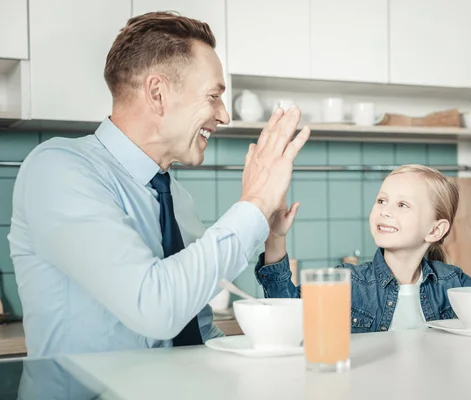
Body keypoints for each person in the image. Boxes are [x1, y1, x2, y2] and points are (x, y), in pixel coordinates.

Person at [7, 11, 310, 358]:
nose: (224, 115)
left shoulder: (176, 198)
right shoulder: (58, 169)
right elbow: (155, 307)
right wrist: (254, 203)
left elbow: (195, 327)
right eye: (213, 96)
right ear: (158, 94)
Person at [255, 164, 471, 336]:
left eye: (402, 205)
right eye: (382, 200)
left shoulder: (451, 283)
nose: (385, 210)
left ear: (435, 230)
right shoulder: (349, 281)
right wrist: (275, 239)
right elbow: (287, 310)